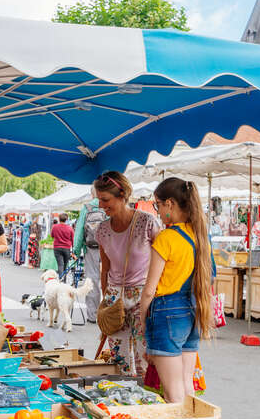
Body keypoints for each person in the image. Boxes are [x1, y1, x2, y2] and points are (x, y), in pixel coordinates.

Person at [140, 177, 212, 403]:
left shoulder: (167, 237)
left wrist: (143, 321)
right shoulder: (200, 235)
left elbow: (149, 290)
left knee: (172, 392)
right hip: (193, 309)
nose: (158, 211)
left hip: (166, 312)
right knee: (187, 386)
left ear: (169, 204)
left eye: (158, 205)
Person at [94, 171, 161, 377]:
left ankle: (147, 401)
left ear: (122, 195)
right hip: (115, 296)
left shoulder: (147, 222)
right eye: (99, 200)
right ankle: (122, 401)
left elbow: (163, 263)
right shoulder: (102, 230)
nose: (101, 206)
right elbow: (105, 269)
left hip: (144, 295)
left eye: (105, 200)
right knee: (118, 357)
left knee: (146, 356)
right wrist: (106, 301)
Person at [73, 188, 106, 323]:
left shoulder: (87, 207)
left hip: (91, 248)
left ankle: (93, 315)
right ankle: (110, 314)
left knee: (91, 280)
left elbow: (80, 230)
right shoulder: (107, 206)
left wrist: (76, 250)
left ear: (92, 194)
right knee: (110, 280)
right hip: (109, 248)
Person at [51, 213, 74, 278]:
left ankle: (61, 280)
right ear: (66, 219)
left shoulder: (55, 227)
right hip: (66, 248)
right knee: (65, 265)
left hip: (57, 247)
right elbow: (72, 239)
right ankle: (64, 280)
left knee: (60, 265)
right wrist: (73, 249)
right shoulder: (70, 228)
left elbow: (52, 235)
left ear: (59, 219)